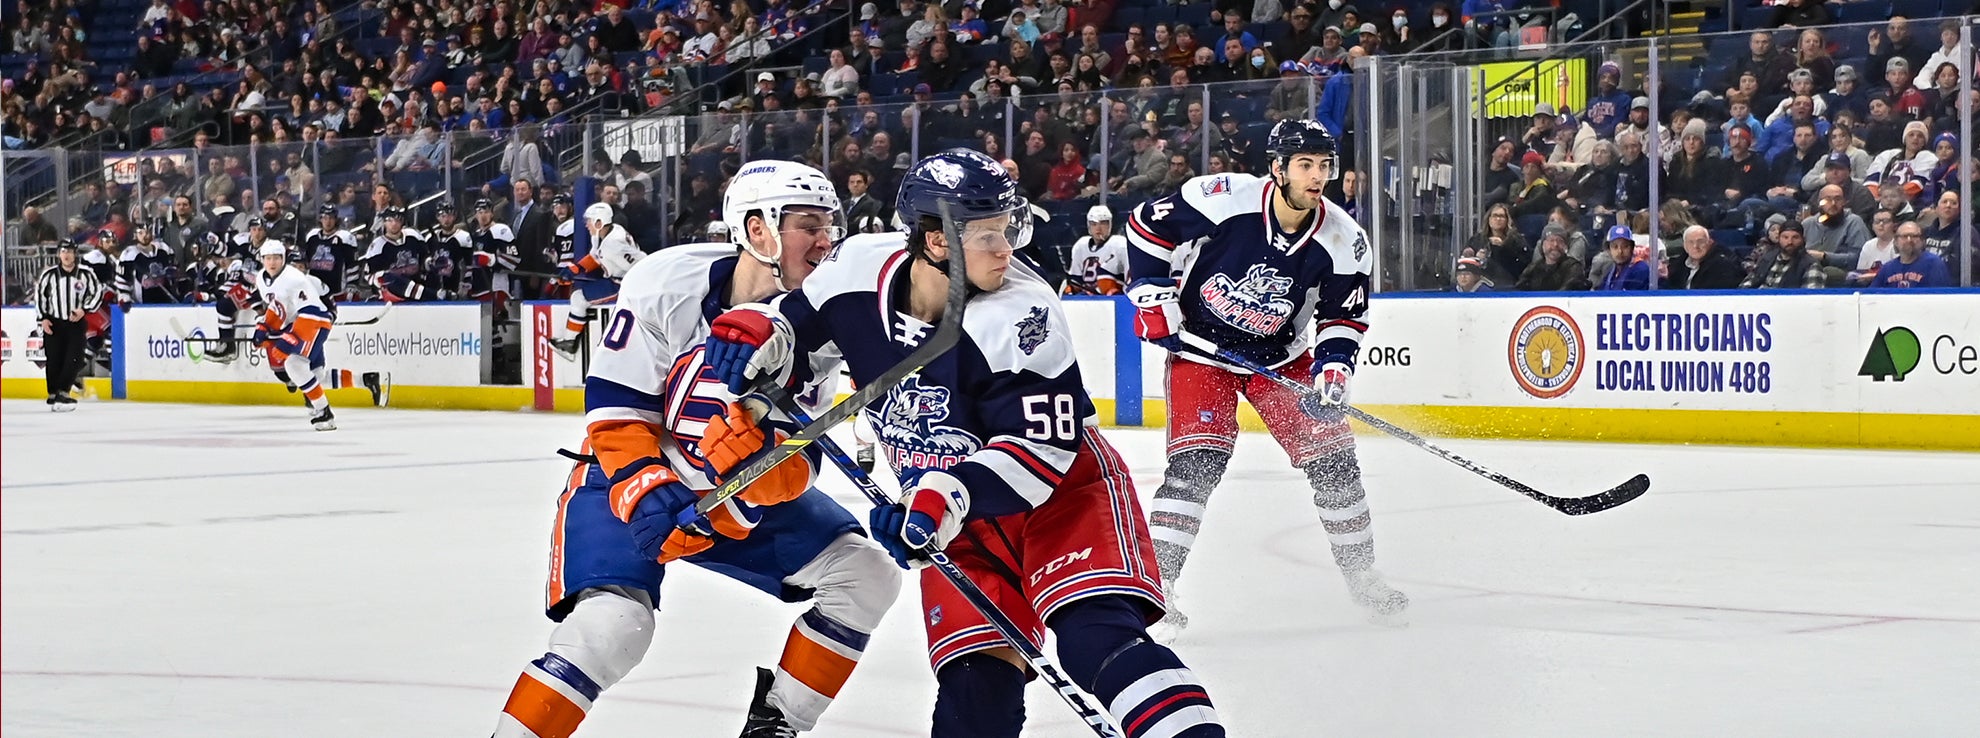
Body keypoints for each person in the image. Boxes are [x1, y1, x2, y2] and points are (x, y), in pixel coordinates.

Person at [703, 149, 1226, 738]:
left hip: (1061, 500)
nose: (1006, 250)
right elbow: (800, 323)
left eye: (1007, 231)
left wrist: (941, 497)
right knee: (973, 693)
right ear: (933, 241)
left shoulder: (1022, 312)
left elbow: (1041, 454)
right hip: (954, 523)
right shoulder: (854, 270)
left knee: (1093, 640)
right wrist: (765, 330)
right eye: (986, 236)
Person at [491, 161, 900, 738]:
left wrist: (746, 494)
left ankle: (777, 725)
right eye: (808, 225)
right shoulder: (668, 282)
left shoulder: (820, 319)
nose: (825, 240)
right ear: (757, 230)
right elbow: (614, 408)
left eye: (828, 225)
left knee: (867, 576)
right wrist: (647, 492)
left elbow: (800, 455)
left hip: (726, 492)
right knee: (613, 627)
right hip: (625, 473)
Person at [1121, 118, 1406, 638]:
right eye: (1305, 165)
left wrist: (1334, 369)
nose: (1318, 176)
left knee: (1336, 468)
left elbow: (1343, 316)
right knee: (1195, 466)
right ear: (1277, 168)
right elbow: (1146, 226)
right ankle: (1157, 588)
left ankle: (1363, 578)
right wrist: (1150, 293)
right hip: (1201, 351)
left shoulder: (1345, 238)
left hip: (1281, 359)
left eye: (1325, 165)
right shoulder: (1225, 197)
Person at [251, 242, 338, 431]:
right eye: (268, 258)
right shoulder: (261, 279)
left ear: (283, 259)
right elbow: (277, 307)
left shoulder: (294, 279)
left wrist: (292, 338)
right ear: (262, 260)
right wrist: (264, 327)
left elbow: (310, 310)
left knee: (294, 364)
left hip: (315, 322)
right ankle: (323, 408)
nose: (272, 262)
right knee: (314, 374)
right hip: (297, 323)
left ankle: (324, 412)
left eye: (276, 258)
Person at [550, 203, 645, 356]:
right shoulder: (605, 233)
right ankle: (569, 340)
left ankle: (569, 344)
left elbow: (640, 263)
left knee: (578, 298)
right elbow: (595, 256)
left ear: (599, 222)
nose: (587, 224)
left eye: (590, 220)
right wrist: (575, 270)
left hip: (622, 285)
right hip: (615, 280)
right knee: (578, 295)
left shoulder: (614, 244)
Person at [32, 241, 104, 411]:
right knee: (54, 358)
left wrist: (84, 309)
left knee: (75, 358)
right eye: (63, 251)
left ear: (75, 254)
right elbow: (40, 296)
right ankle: (53, 392)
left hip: (75, 323)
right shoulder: (49, 275)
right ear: (58, 254)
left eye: (70, 251)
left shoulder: (86, 274)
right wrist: (42, 319)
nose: (66, 255)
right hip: (54, 322)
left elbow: (97, 292)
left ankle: (63, 391)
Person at [204, 218, 282, 362]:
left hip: (264, 287)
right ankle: (227, 344)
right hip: (246, 284)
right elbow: (227, 250)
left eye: (260, 230)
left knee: (234, 306)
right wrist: (215, 243)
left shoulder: (271, 247)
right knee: (222, 303)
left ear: (265, 230)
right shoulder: (243, 241)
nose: (257, 233)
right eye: (254, 229)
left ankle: (232, 345)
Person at [363, 208, 437, 301]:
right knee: (389, 278)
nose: (394, 224)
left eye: (398, 220)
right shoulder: (377, 246)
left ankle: (436, 294)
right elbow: (371, 275)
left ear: (403, 222)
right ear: (384, 223)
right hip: (392, 293)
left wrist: (431, 263)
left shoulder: (413, 235)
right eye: (389, 220)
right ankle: (435, 295)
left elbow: (425, 257)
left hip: (418, 284)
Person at [301, 205, 362, 301]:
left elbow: (352, 264)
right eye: (325, 218)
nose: (328, 221)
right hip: (314, 289)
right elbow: (305, 262)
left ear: (336, 219)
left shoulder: (345, 238)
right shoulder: (312, 237)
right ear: (320, 219)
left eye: (331, 218)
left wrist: (352, 284)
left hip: (337, 291)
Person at [1063, 205, 1127, 295]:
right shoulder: (1081, 245)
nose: (1098, 228)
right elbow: (1076, 279)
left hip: (1112, 297)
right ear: (1089, 226)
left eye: (1103, 223)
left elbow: (1129, 277)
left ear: (1110, 224)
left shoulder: (1119, 244)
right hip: (1087, 297)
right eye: (1094, 224)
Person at [1870, 220, 1955, 287]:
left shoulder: (1934, 264)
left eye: (1914, 236)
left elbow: (1940, 297)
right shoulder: (1887, 269)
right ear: (1895, 241)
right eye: (1904, 236)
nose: (1909, 240)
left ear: (1922, 241)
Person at [115, 226, 180, 305]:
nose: (145, 236)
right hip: (141, 305)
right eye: (141, 233)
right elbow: (122, 280)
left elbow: (175, 270)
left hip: (166, 302)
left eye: (147, 232)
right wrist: (124, 297)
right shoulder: (129, 254)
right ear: (135, 234)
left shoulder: (164, 249)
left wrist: (171, 273)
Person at [1667, 226, 1745, 289]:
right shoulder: (1679, 265)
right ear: (1685, 246)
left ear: (1710, 243)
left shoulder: (1723, 264)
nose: (1695, 246)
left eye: (1700, 241)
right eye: (1691, 242)